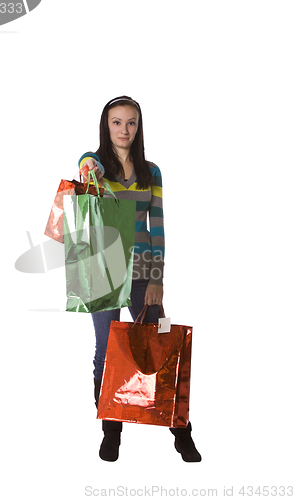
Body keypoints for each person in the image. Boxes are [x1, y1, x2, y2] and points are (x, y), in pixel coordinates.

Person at [79, 96, 201, 463]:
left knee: (161, 345)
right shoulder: (96, 164)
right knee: (106, 350)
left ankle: (180, 430)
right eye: (116, 122)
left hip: (144, 267)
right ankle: (111, 428)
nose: (124, 130)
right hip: (102, 265)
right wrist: (89, 167)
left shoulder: (152, 172)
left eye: (131, 123)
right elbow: (84, 164)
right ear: (106, 125)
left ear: (139, 126)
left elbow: (157, 226)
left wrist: (157, 277)